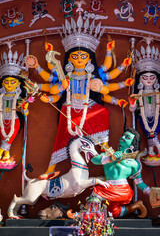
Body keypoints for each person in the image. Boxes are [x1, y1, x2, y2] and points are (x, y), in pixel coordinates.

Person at [29, 13, 133, 180]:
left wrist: (109, 53)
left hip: (89, 107)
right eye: (75, 57)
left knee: (102, 113)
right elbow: (55, 93)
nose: (79, 60)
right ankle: (51, 168)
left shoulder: (94, 75)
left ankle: (106, 153)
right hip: (69, 109)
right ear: (69, 60)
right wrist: (48, 98)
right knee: (61, 136)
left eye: (83, 57)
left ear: (89, 59)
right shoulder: (64, 75)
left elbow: (107, 78)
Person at [89, 128, 150, 218]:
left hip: (121, 190)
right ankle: (136, 206)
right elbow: (94, 160)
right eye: (123, 135)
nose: (124, 137)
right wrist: (110, 158)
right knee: (114, 213)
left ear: (132, 145)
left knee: (95, 196)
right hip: (107, 186)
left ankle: (89, 218)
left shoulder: (133, 163)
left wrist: (151, 191)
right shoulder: (109, 154)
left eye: (128, 137)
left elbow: (139, 182)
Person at [129, 40, 160, 160]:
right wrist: (132, 104)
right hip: (143, 116)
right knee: (149, 134)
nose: (148, 80)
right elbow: (133, 109)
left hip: (157, 115)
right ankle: (151, 152)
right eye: (144, 78)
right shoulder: (139, 94)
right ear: (140, 79)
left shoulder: (157, 93)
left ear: (156, 80)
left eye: (152, 78)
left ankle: (154, 150)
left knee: (153, 134)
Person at [0, 71, 29, 161]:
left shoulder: (19, 98)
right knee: (4, 139)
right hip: (2, 120)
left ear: (18, 83)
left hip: (14, 120)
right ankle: (6, 157)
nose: (9, 85)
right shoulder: (1, 96)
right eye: (6, 82)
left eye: (12, 82)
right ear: (2, 83)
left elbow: (26, 113)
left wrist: (24, 108)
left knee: (9, 139)